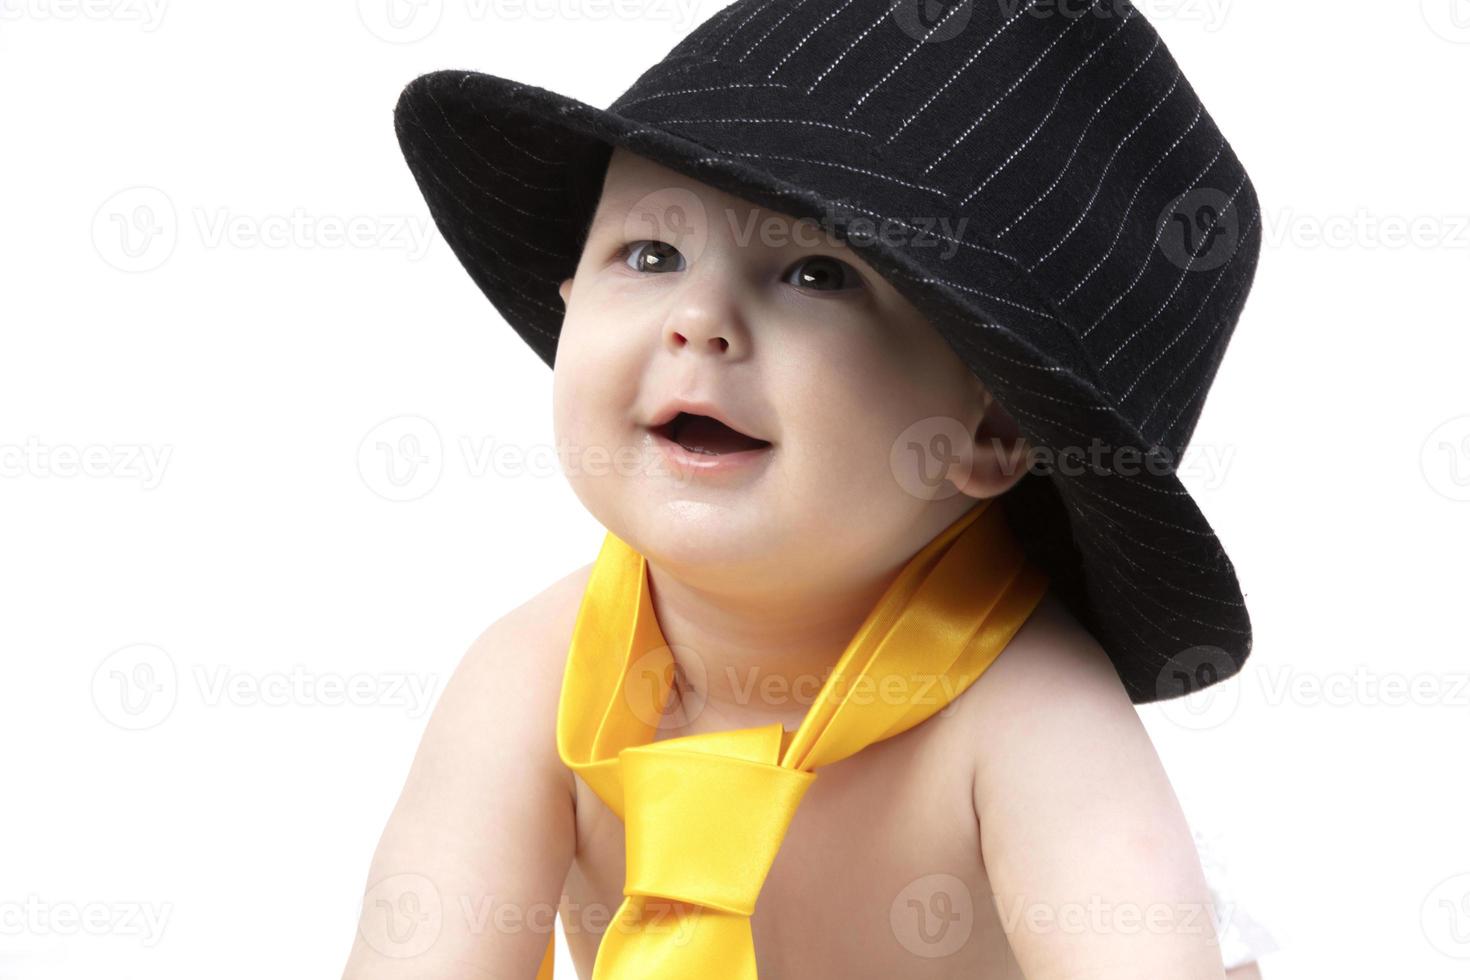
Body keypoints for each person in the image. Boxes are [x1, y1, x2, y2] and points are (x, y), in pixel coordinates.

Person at [345, 0, 1267, 976]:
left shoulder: (1030, 715)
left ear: (993, 425)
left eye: (819, 273)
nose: (698, 319)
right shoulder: (530, 678)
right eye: (651, 254)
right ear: (569, 302)